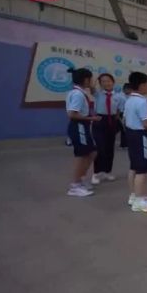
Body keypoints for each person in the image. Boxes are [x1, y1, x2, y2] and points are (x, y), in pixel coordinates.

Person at [124, 72, 147, 213]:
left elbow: (126, 119)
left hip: (131, 134)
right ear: (141, 85)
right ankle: (139, 201)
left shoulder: (129, 100)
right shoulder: (141, 102)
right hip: (140, 135)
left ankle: (134, 196)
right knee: (142, 169)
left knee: (134, 166)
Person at [65, 68, 100, 197]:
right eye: (90, 79)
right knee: (82, 155)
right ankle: (75, 185)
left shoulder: (81, 92)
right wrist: (92, 118)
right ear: (86, 80)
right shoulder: (77, 94)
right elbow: (72, 114)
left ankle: (81, 178)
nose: (91, 81)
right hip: (79, 126)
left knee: (92, 152)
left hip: (84, 127)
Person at [91, 73, 120, 185]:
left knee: (109, 148)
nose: (106, 83)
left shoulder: (118, 96)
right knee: (99, 148)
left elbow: (118, 110)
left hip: (112, 121)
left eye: (108, 81)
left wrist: (116, 120)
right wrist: (95, 80)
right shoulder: (98, 94)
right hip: (99, 120)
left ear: (113, 82)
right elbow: (92, 87)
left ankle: (108, 171)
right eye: (103, 81)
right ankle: (96, 173)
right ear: (100, 83)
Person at [117, 83, 133, 149]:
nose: (129, 91)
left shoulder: (131, 96)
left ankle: (126, 144)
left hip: (129, 114)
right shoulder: (119, 96)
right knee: (123, 129)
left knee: (127, 129)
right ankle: (123, 144)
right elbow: (117, 106)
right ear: (124, 89)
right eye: (128, 89)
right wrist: (118, 115)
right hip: (121, 113)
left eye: (130, 90)